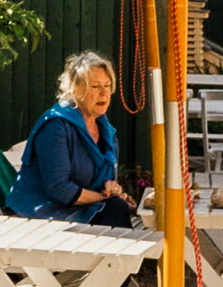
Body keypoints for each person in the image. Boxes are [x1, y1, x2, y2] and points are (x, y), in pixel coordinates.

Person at [19, 52, 136, 226]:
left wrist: (112, 188)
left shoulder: (106, 131)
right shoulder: (56, 126)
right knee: (115, 209)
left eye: (107, 85)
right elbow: (59, 189)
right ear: (74, 89)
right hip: (42, 215)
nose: (104, 93)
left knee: (119, 209)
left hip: (82, 211)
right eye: (95, 86)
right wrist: (105, 197)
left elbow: (104, 181)